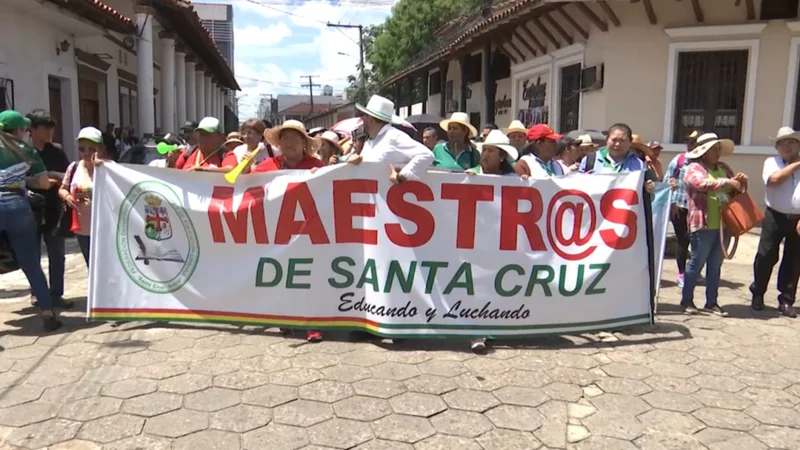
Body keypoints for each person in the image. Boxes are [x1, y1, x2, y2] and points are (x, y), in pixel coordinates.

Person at [0, 112, 62, 331]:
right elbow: (44, 184)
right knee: (32, 263)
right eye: (24, 130)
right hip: (17, 207)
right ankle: (47, 313)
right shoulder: (26, 151)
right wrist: (24, 180)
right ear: (17, 130)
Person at [681, 133, 748, 316]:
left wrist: (740, 182)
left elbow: (736, 191)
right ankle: (687, 300)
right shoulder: (694, 167)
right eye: (713, 149)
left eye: (718, 148)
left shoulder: (724, 168)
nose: (717, 152)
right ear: (703, 152)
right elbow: (698, 183)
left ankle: (711, 302)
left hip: (723, 225)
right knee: (696, 263)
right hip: (702, 224)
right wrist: (727, 182)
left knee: (715, 265)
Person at [751, 126, 800, 317]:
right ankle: (758, 293)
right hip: (775, 215)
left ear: (798, 145)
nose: (786, 146)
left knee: (794, 260)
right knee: (766, 255)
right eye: (782, 143)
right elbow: (774, 180)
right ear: (777, 148)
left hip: (797, 218)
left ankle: (786, 299)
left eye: (791, 142)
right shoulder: (771, 162)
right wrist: (796, 165)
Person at [27, 110, 72, 309]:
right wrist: (39, 182)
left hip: (54, 207)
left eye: (52, 127)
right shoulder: (23, 151)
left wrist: (54, 176)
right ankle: (37, 293)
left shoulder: (57, 150)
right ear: (33, 129)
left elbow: (69, 174)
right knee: (32, 253)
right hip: (31, 209)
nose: (50, 131)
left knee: (57, 252)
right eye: (46, 128)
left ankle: (56, 293)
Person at [349, 95, 434, 183]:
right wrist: (357, 159)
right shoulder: (370, 141)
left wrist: (402, 175)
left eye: (364, 116)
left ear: (370, 118)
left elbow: (426, 155)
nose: (363, 119)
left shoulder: (394, 136)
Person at [59, 127, 104, 266]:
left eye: (91, 149)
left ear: (100, 149)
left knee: (103, 266)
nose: (86, 153)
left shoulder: (108, 168)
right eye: (82, 149)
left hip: (103, 228)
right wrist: (67, 197)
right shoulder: (74, 167)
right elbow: (62, 189)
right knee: (91, 264)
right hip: (82, 228)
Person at [664, 131, 702, 288]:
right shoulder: (679, 160)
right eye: (690, 141)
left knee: (698, 241)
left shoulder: (703, 163)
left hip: (698, 209)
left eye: (695, 142)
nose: (691, 145)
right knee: (682, 240)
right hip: (679, 207)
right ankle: (681, 273)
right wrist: (672, 203)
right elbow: (668, 180)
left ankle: (694, 270)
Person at [579, 123, 656, 195]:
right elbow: (578, 189)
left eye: (622, 140)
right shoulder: (590, 160)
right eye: (614, 140)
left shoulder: (639, 164)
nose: (617, 144)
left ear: (630, 142)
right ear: (607, 140)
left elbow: (647, 196)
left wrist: (648, 189)